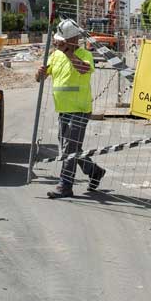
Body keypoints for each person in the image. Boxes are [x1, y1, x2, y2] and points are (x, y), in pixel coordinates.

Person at [36, 18, 105, 199]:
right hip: (63, 110)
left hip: (80, 109)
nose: (60, 43)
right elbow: (40, 78)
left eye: (63, 40)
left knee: (69, 149)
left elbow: (84, 69)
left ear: (73, 39)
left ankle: (65, 185)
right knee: (69, 149)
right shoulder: (55, 55)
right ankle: (94, 171)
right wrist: (40, 73)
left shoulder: (84, 54)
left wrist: (68, 54)